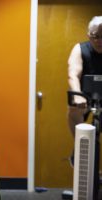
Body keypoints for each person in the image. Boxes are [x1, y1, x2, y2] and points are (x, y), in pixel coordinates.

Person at [67, 16, 102, 200]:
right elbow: (73, 73)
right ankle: (79, 147)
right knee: (74, 111)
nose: (99, 41)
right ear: (89, 35)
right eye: (95, 36)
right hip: (85, 99)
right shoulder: (80, 49)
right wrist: (77, 93)